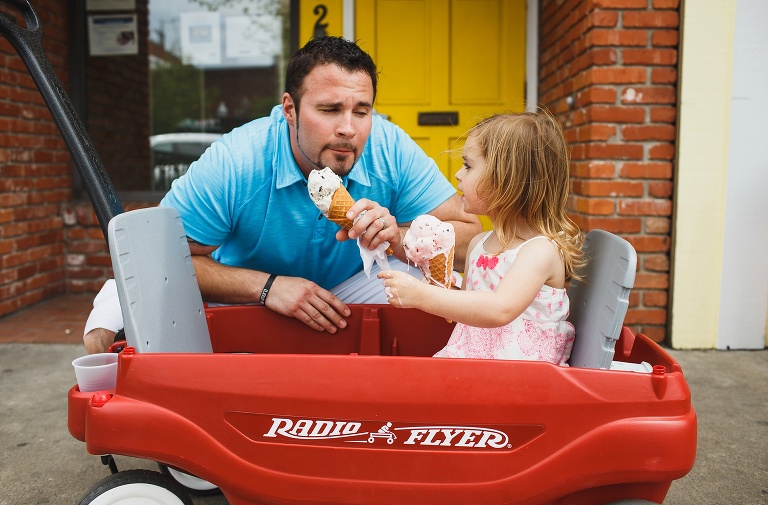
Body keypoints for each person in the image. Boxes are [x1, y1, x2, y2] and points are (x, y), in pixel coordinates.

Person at [83, 36, 481, 354]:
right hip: (243, 293)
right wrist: (269, 286)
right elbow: (164, 259)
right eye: (329, 109)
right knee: (133, 292)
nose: (349, 129)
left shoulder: (390, 148)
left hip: (348, 287)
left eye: (362, 111)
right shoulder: (237, 160)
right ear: (289, 108)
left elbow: (470, 239)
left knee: (454, 285)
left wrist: (399, 238)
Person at [379, 112, 584, 364]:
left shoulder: (540, 250)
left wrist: (421, 296)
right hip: (475, 365)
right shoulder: (479, 244)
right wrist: (439, 286)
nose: (457, 174)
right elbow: (467, 310)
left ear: (507, 179)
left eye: (468, 165)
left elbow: (500, 309)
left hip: (523, 377)